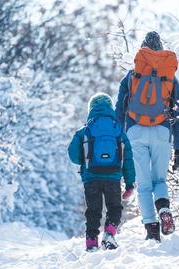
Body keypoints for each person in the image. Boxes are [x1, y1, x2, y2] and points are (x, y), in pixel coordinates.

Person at [115, 31, 179, 242]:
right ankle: (164, 209)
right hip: (162, 131)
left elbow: (119, 111)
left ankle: (152, 231)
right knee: (160, 179)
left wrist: (120, 142)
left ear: (143, 49)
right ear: (161, 49)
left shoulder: (131, 76)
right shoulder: (170, 76)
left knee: (144, 184)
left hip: (135, 132)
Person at [68, 93, 136, 251]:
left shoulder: (84, 131)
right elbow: (128, 158)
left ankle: (91, 243)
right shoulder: (118, 130)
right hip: (113, 177)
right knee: (115, 208)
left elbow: (72, 155)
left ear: (91, 108)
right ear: (110, 108)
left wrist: (85, 160)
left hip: (91, 177)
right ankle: (109, 234)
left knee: (93, 211)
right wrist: (130, 183)